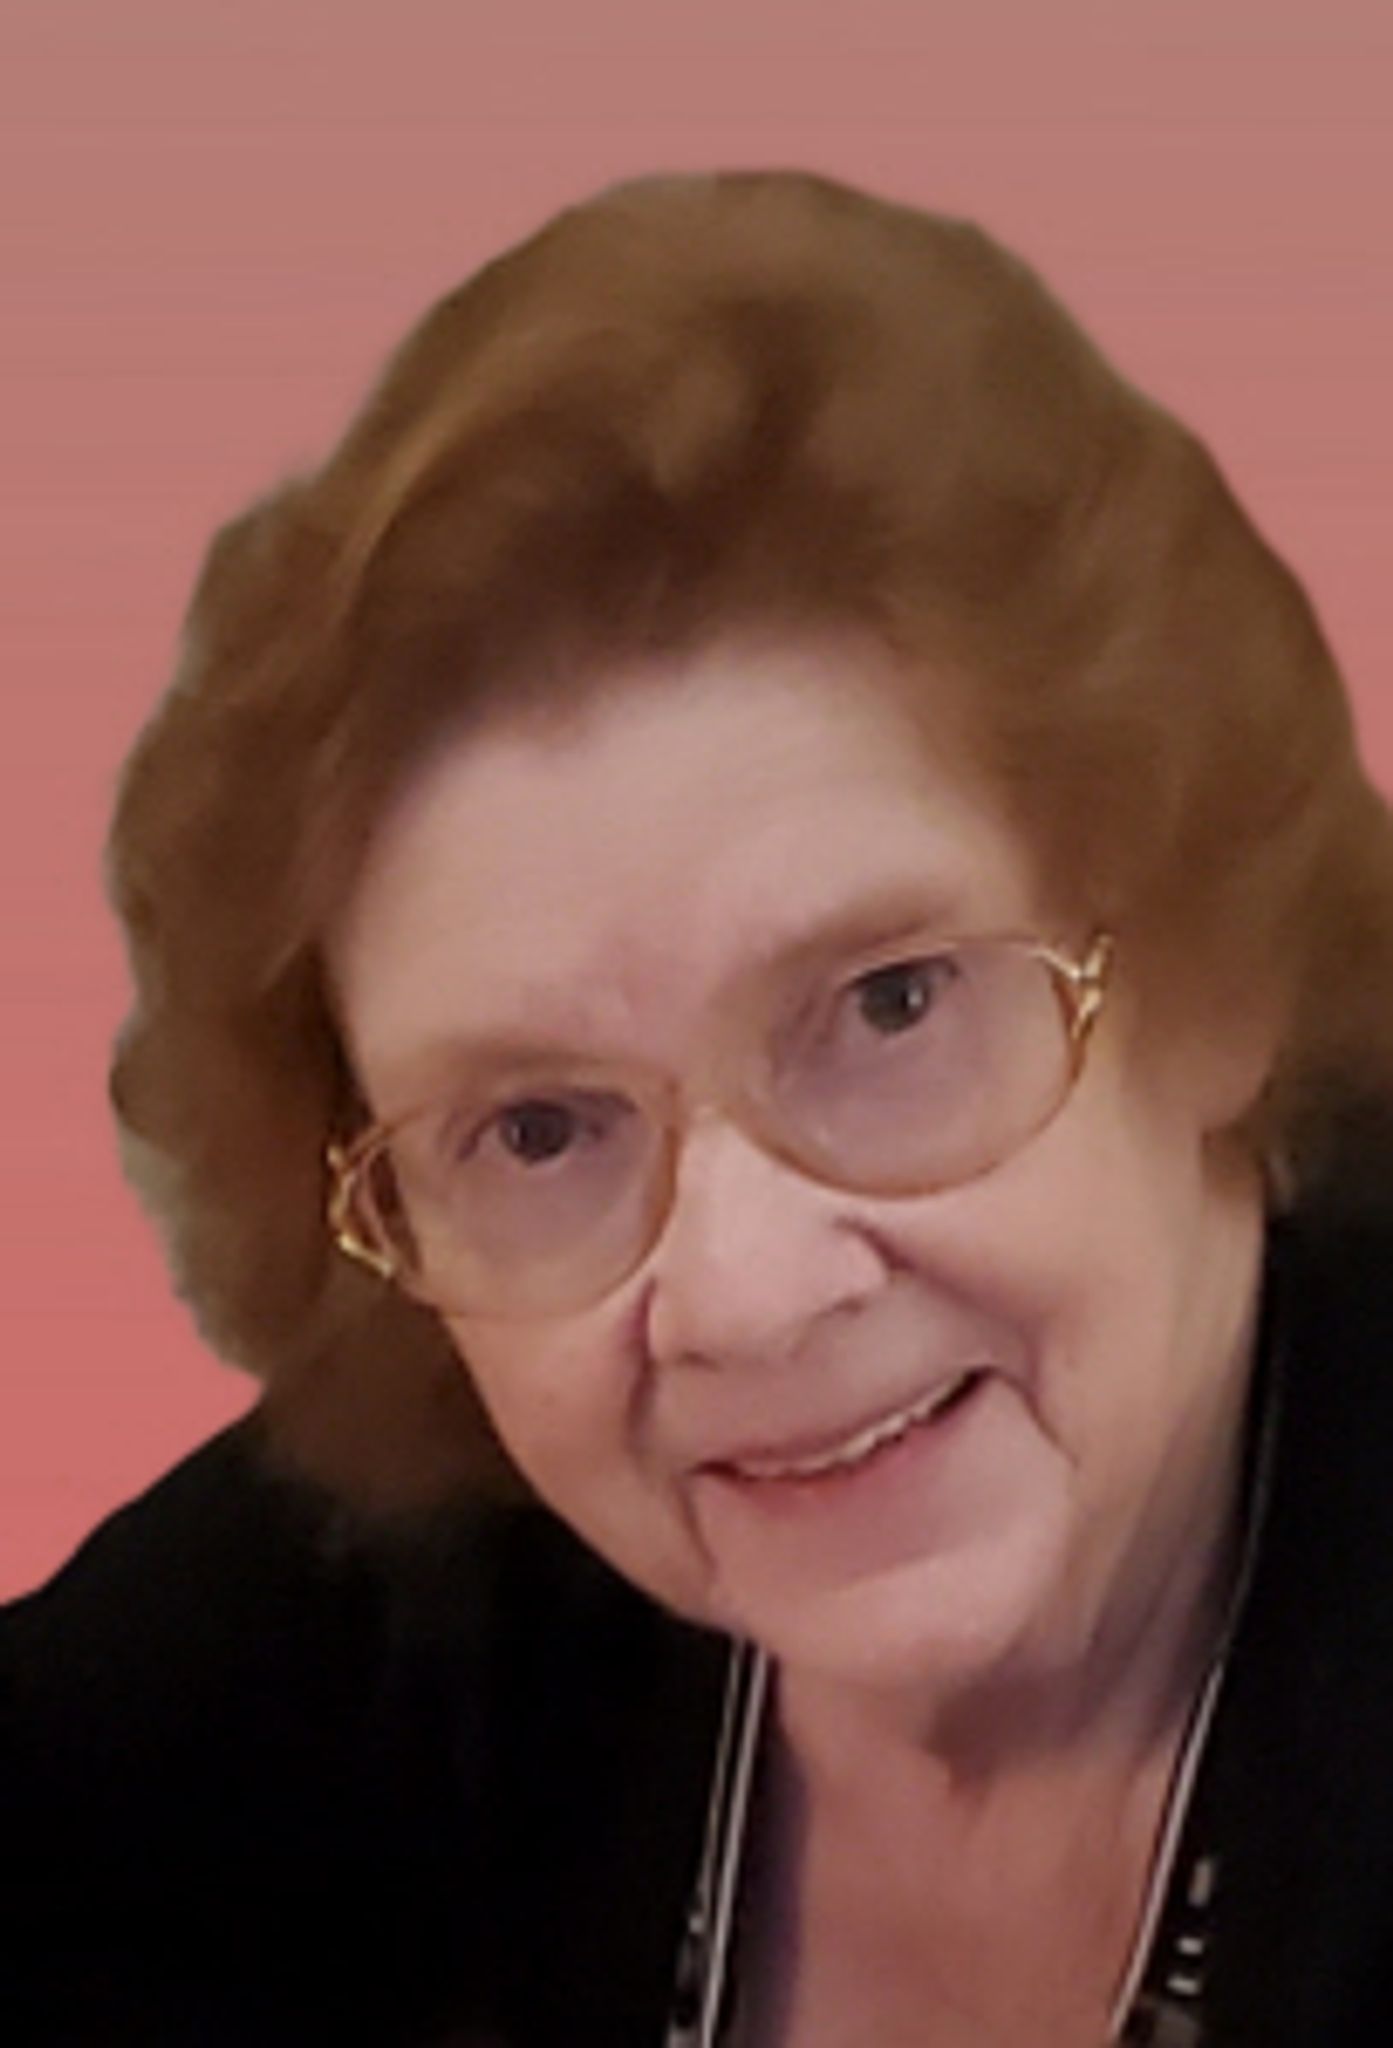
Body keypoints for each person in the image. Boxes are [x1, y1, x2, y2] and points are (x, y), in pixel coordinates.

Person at [3, 169, 1392, 2048]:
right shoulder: (411, 1602)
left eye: (889, 1005)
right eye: (538, 1129)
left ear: (1208, 971)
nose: (741, 1295)